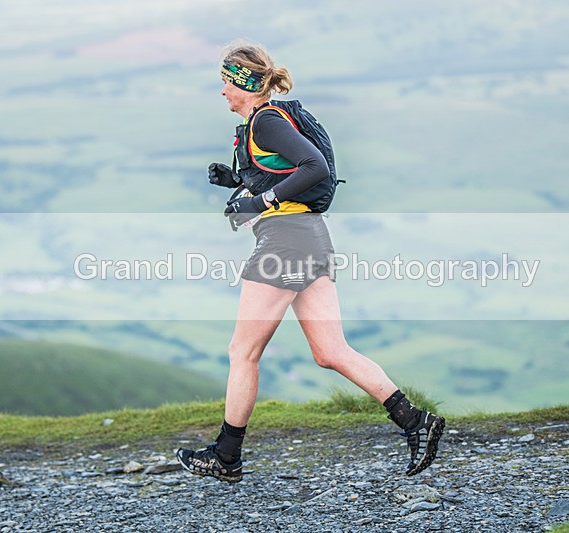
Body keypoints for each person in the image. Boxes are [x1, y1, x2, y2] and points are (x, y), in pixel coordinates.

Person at [176, 40, 444, 483]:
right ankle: (416, 422)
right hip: (309, 238)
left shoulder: (266, 122)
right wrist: (237, 180)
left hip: (286, 244)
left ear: (243, 82)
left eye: (225, 82)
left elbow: (314, 166)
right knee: (330, 352)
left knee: (242, 352)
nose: (222, 91)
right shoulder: (262, 125)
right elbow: (286, 172)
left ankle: (225, 456)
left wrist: (260, 198)